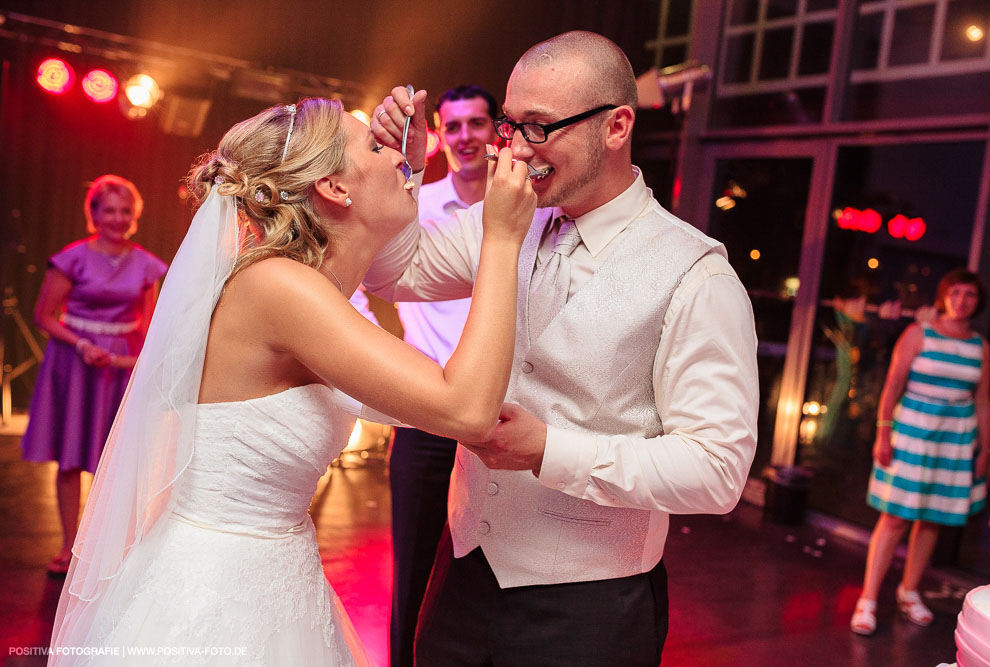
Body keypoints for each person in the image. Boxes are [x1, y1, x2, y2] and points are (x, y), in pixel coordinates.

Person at [49, 98, 536, 665]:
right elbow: (464, 407)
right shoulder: (279, 288)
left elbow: (427, 394)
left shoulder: (306, 290)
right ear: (333, 187)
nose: (403, 158)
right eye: (376, 149)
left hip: (277, 576)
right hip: (216, 597)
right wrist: (502, 238)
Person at [367, 31, 758, 666]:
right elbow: (392, 272)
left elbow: (718, 473)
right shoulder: (510, 215)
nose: (517, 151)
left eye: (540, 128)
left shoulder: (697, 277)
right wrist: (406, 170)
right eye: (510, 127)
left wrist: (550, 450)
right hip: (464, 564)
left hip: (590, 607)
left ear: (617, 125)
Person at [389, 84, 498, 667]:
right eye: (452, 127)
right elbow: (359, 281)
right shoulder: (417, 208)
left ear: (495, 130)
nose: (464, 137)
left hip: (500, 419)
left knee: (485, 575)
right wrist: (384, 363)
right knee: (413, 573)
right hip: (424, 415)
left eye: (475, 124)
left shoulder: (526, 212)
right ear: (439, 135)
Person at [21, 175, 166, 576]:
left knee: (118, 458)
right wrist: (81, 344)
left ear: (133, 216)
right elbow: (44, 316)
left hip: (119, 367)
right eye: (109, 210)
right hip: (74, 361)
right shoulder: (73, 257)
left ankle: (107, 547)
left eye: (125, 211)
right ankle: (68, 547)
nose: (117, 219)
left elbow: (149, 327)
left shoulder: (147, 264)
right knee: (70, 458)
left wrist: (131, 364)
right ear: (94, 214)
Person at [851, 268, 990, 636]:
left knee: (931, 518)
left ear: (978, 302)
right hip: (912, 432)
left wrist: (985, 450)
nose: (962, 301)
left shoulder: (979, 345)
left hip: (955, 438)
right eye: (956, 292)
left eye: (970, 295)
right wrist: (883, 433)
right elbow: (892, 384)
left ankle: (908, 591)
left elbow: (981, 400)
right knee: (895, 516)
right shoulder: (919, 333)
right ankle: (867, 599)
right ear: (944, 296)